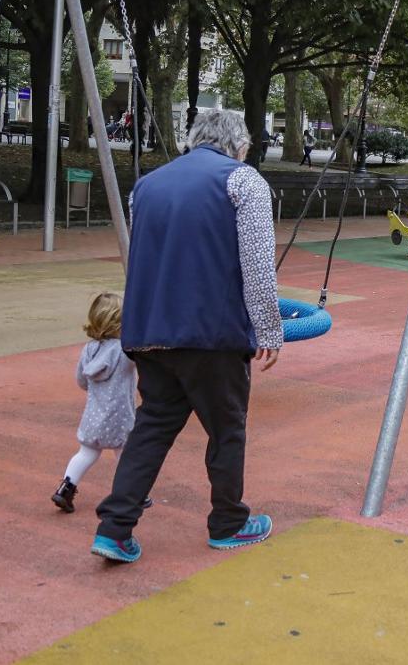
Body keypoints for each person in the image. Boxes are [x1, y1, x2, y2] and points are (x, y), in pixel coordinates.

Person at [91, 109, 282, 564]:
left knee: (153, 426)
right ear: (239, 145)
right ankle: (229, 522)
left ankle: (114, 528)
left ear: (192, 141)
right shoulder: (243, 181)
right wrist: (269, 327)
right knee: (226, 427)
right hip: (211, 331)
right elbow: (257, 264)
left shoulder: (147, 186)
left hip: (151, 329)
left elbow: (146, 256)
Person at [52, 293, 151, 515]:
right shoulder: (125, 351)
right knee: (125, 456)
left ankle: (65, 488)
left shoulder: (89, 349)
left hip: (93, 416)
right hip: (120, 416)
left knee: (86, 453)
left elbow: (81, 380)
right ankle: (136, 493)